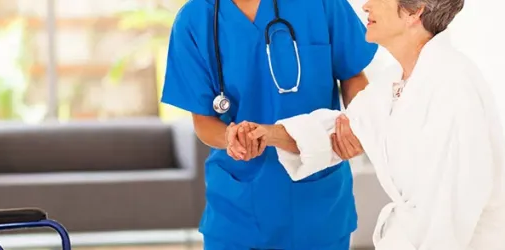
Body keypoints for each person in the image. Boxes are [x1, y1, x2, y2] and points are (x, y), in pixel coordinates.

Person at [238, 0, 505, 249]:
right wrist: (267, 134)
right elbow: (341, 128)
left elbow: (448, 213)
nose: (366, 5)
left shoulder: (452, 85)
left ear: (414, 12)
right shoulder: (396, 80)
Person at [159, 0, 379, 248]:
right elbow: (203, 121)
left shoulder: (322, 4)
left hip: (318, 203)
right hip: (238, 208)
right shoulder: (195, 19)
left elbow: (352, 75)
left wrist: (358, 125)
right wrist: (230, 137)